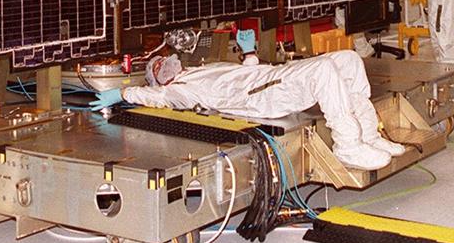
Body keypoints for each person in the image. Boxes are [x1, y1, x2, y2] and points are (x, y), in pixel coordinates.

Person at [92, 30, 407, 170]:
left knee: (349, 59)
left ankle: (368, 135)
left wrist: (250, 53)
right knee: (324, 71)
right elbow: (155, 99)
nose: (165, 62)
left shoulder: (201, 68)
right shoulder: (180, 90)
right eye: (157, 67)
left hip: (270, 76)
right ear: (159, 79)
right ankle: (348, 145)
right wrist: (122, 93)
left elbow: (240, 76)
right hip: (266, 96)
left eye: (161, 59)